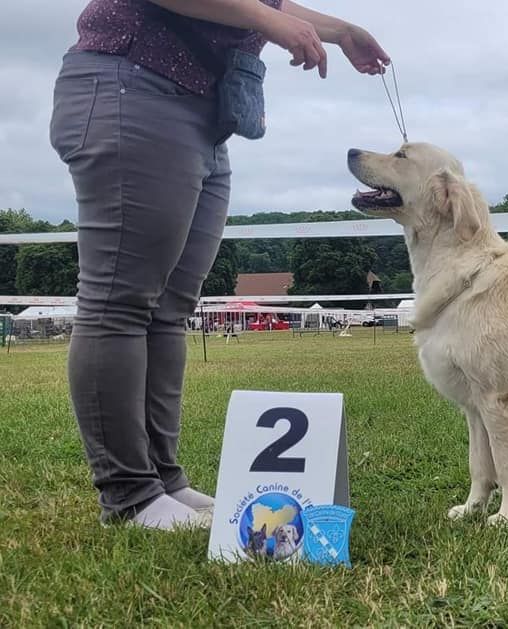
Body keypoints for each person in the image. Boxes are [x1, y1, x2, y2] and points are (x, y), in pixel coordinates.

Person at [49, 0, 390, 531]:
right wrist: (267, 22)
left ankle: (163, 480)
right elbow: (262, 10)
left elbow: (266, 3)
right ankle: (129, 495)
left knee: (168, 310)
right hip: (134, 87)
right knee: (119, 302)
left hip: (202, 112)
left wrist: (341, 30)